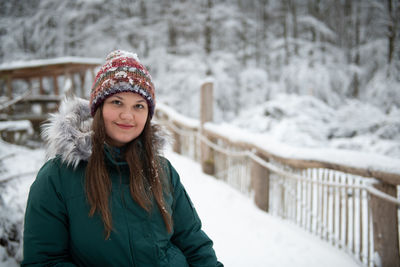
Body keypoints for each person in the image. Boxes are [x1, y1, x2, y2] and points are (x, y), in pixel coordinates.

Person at [22, 50, 223, 267]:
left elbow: (194, 243)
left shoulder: (161, 169)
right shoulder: (58, 176)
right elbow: (44, 261)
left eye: (139, 106)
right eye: (117, 102)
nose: (128, 115)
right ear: (98, 108)